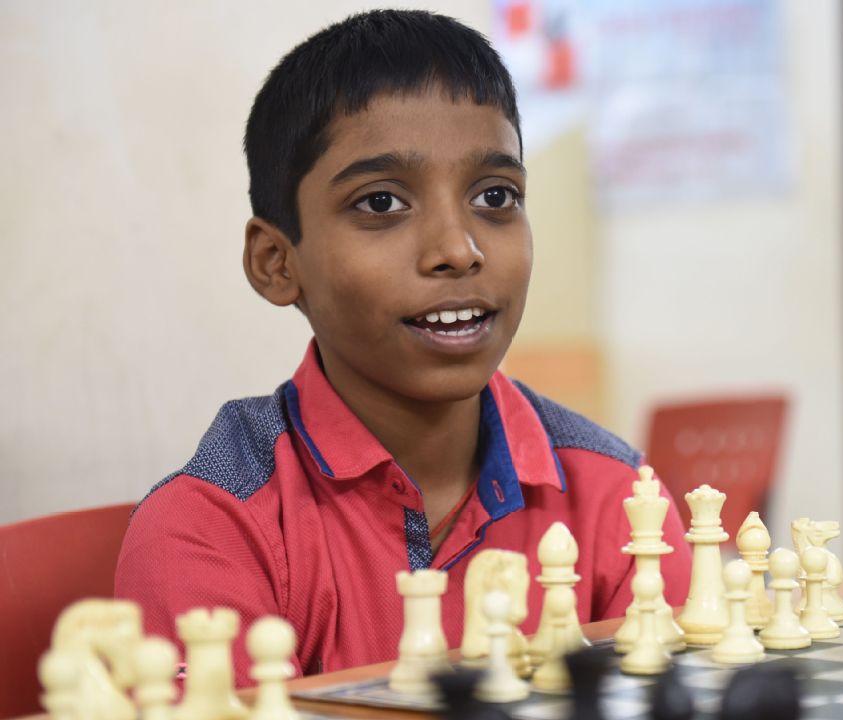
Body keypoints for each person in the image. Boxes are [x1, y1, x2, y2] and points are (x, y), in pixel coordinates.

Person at [115, 9, 692, 684]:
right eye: (382, 203)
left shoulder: (615, 497)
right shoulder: (215, 528)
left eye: (496, 195)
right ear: (277, 262)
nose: (458, 249)